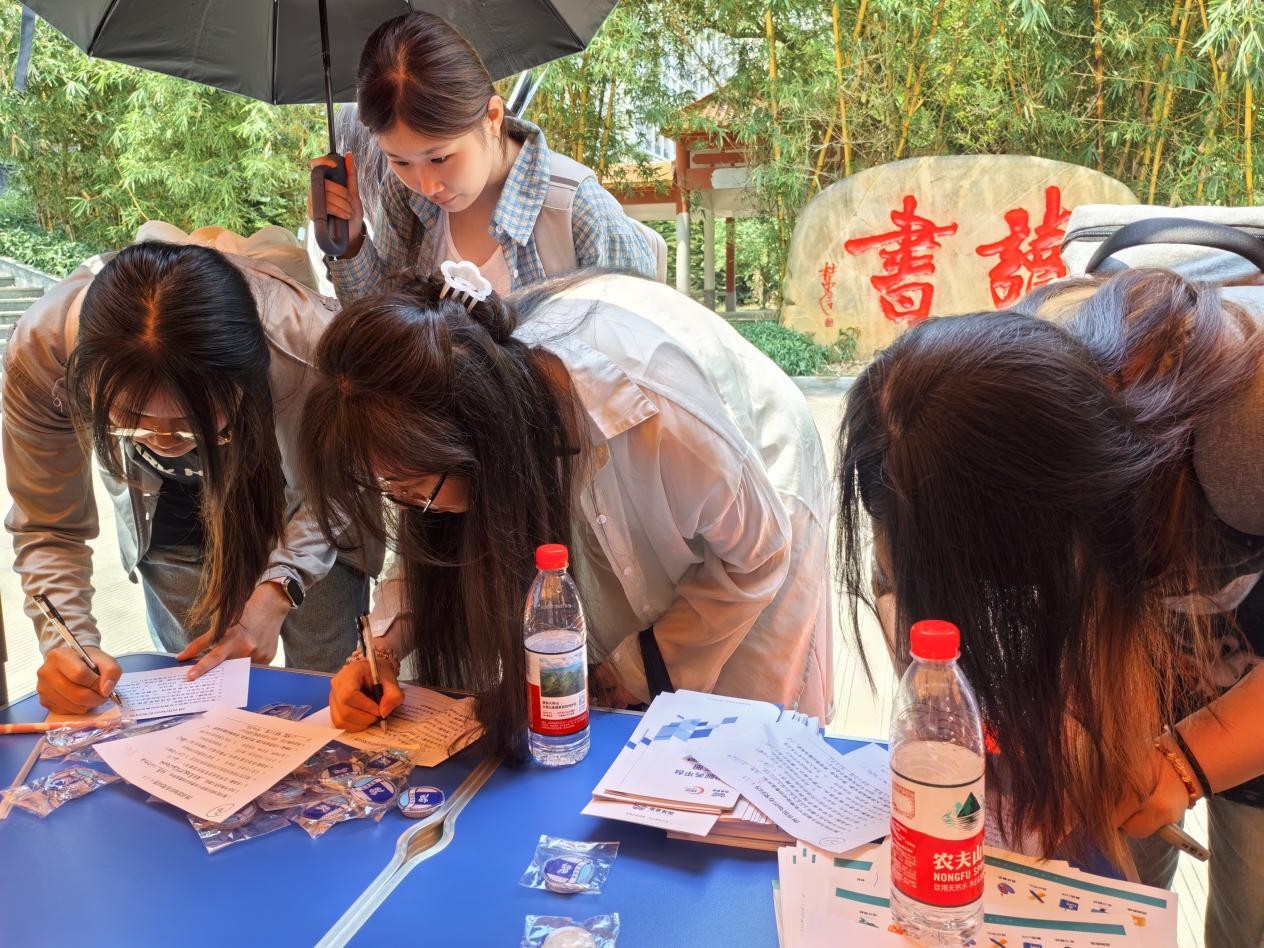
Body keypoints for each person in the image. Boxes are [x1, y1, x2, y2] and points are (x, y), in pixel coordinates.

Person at [836, 268, 1264, 945]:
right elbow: (905, 598)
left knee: (1252, 907)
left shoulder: (1246, 435)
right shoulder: (975, 402)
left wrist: (1184, 764)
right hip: (1137, 653)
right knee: (1116, 892)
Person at [298, 265, 833, 759]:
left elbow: (758, 558)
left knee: (734, 741)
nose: (416, 506)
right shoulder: (468, 409)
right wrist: (381, 652)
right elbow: (436, 543)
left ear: (474, 443)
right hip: (633, 472)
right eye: (394, 491)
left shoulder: (653, 410)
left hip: (757, 483)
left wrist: (634, 670)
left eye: (413, 489)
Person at [4, 225, 381, 713]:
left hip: (301, 501)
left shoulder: (307, 346)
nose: (164, 441)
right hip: (169, 512)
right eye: (132, 421)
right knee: (196, 692)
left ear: (245, 384)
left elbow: (338, 483)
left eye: (192, 425)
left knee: (329, 687)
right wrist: (68, 644)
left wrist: (278, 589)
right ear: (86, 383)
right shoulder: (42, 357)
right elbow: (48, 526)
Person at [311, 11, 658, 302]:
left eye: (439, 158)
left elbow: (643, 345)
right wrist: (350, 240)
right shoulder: (404, 195)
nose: (426, 185)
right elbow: (383, 322)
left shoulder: (579, 213)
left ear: (492, 117)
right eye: (400, 161)